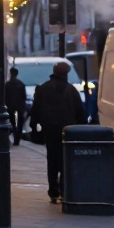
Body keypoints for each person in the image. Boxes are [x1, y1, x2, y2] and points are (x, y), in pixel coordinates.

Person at [30, 60, 87, 204]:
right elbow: (80, 112)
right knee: (65, 160)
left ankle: (53, 190)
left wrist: (35, 127)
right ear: (66, 74)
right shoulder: (71, 90)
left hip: (50, 130)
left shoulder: (42, 89)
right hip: (68, 131)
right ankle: (64, 189)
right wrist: (82, 127)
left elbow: (35, 111)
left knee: (52, 159)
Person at [5, 67, 28, 146]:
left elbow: (5, 96)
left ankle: (14, 137)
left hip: (10, 107)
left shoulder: (7, 84)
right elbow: (24, 97)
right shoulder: (21, 84)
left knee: (12, 123)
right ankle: (17, 139)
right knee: (20, 123)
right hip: (20, 106)